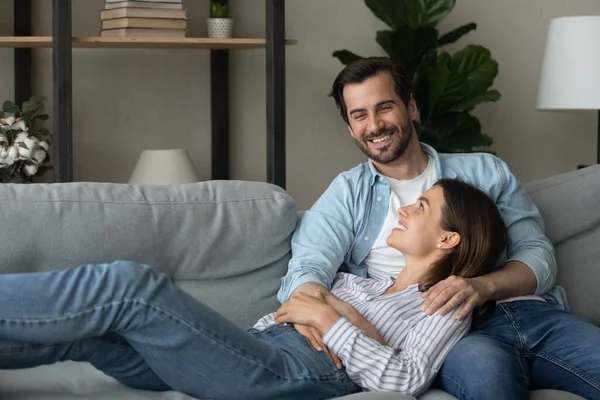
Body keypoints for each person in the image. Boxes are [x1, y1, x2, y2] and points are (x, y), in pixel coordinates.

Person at [0, 179, 505, 399]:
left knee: (132, 287)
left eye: (422, 207)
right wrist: (335, 311)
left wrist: (328, 317)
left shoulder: (444, 306)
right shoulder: (354, 280)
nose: (405, 208)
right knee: (85, 337)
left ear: (447, 238)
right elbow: (294, 306)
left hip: (284, 373)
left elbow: (402, 379)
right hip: (243, 349)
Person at [277, 56, 600, 400]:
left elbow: (537, 255)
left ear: (411, 107)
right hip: (452, 332)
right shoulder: (346, 193)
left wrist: (481, 286)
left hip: (530, 313)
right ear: (350, 127)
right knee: (489, 377)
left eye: (385, 107)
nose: (374, 125)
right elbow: (308, 266)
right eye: (359, 115)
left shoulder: (485, 173)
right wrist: (316, 310)